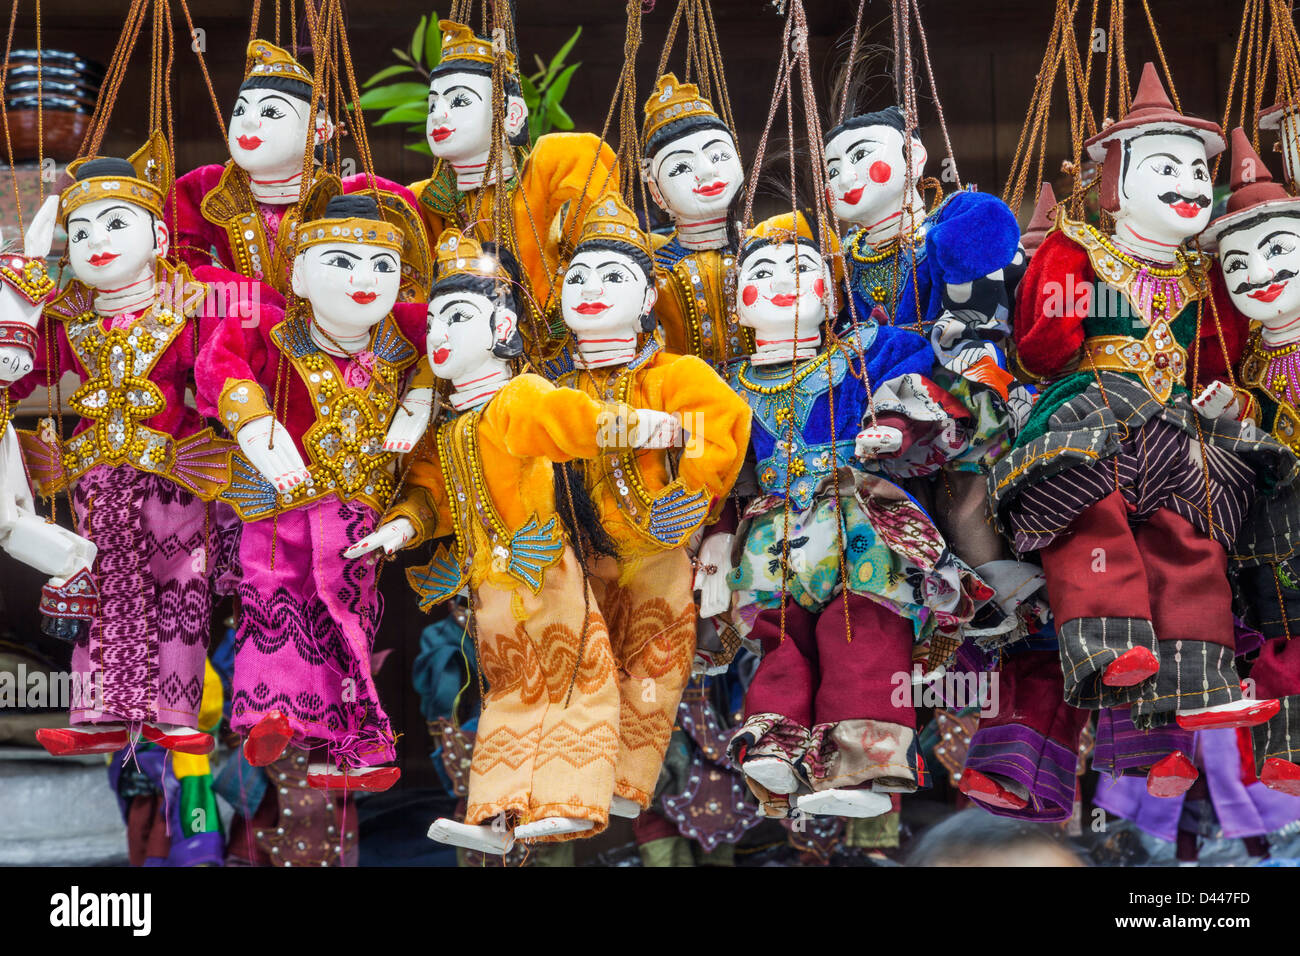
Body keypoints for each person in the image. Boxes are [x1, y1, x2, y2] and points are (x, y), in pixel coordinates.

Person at [991, 64, 1294, 795]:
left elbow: (1221, 354)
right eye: (1166, 167)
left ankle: (1201, 677)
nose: (1189, 183)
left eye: (1197, 169)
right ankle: (1106, 643)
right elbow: (1040, 345)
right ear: (1115, 179)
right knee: (1092, 521)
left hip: (1175, 427)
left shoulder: (1203, 275)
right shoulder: (1079, 250)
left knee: (1191, 542)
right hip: (1089, 409)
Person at [351, 226, 685, 852]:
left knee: (573, 682)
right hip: (490, 584)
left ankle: (570, 799)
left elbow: (571, 423)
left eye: (457, 317)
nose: (438, 336)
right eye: (431, 325)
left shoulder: (517, 397)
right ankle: (496, 813)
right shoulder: (451, 427)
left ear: (503, 330)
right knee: (508, 695)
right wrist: (399, 526)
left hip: (545, 570)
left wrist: (640, 426)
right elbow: (433, 496)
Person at [197, 194, 428, 791]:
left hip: (357, 512)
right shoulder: (270, 327)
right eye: (340, 262)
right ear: (297, 273)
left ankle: (343, 747)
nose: (363, 280)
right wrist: (252, 420)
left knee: (347, 619)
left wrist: (420, 397)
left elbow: (466, 325)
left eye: (383, 266)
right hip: (279, 504)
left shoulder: (405, 335)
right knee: (272, 596)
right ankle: (274, 712)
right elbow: (220, 362)